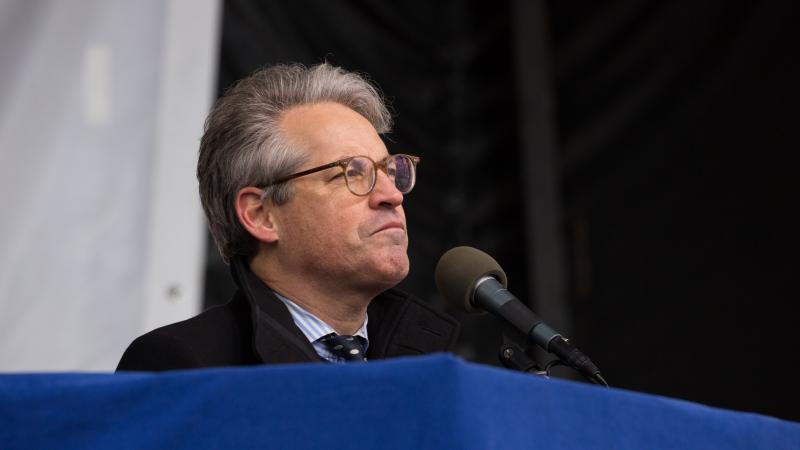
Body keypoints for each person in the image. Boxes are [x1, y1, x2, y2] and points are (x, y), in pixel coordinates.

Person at [117, 63, 459, 371]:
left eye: (390, 171)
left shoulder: (432, 367)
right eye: (352, 173)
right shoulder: (183, 366)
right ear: (261, 215)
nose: (392, 195)